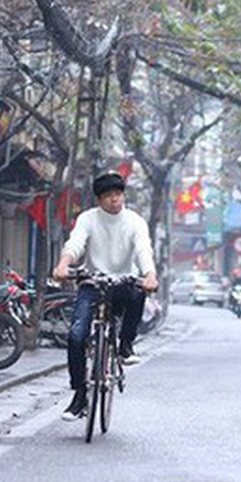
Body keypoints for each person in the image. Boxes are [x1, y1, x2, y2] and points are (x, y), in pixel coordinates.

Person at [53, 171, 158, 421]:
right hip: (93, 283)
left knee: (138, 293)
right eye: (108, 196)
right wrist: (63, 265)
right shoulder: (88, 218)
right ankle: (79, 395)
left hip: (124, 282)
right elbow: (76, 243)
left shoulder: (135, 221)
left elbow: (143, 249)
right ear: (99, 199)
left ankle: (125, 345)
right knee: (76, 337)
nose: (114, 200)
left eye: (118, 194)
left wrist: (150, 275)